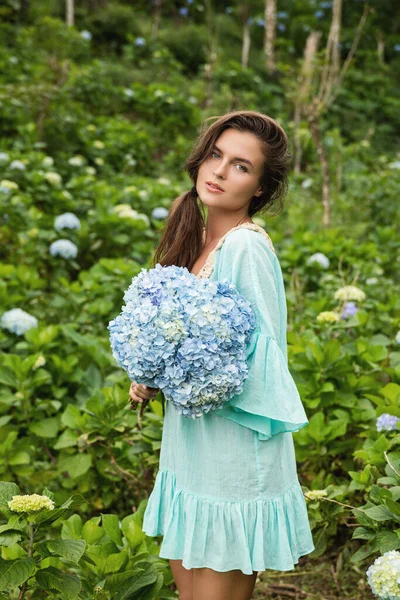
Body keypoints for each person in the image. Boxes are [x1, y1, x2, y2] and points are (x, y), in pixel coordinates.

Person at [129, 110, 314, 600]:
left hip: (233, 452)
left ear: (259, 187)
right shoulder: (195, 238)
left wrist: (191, 377)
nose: (218, 171)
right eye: (216, 155)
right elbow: (184, 340)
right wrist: (153, 372)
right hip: (191, 449)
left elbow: (263, 357)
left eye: (240, 166)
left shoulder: (245, 248)